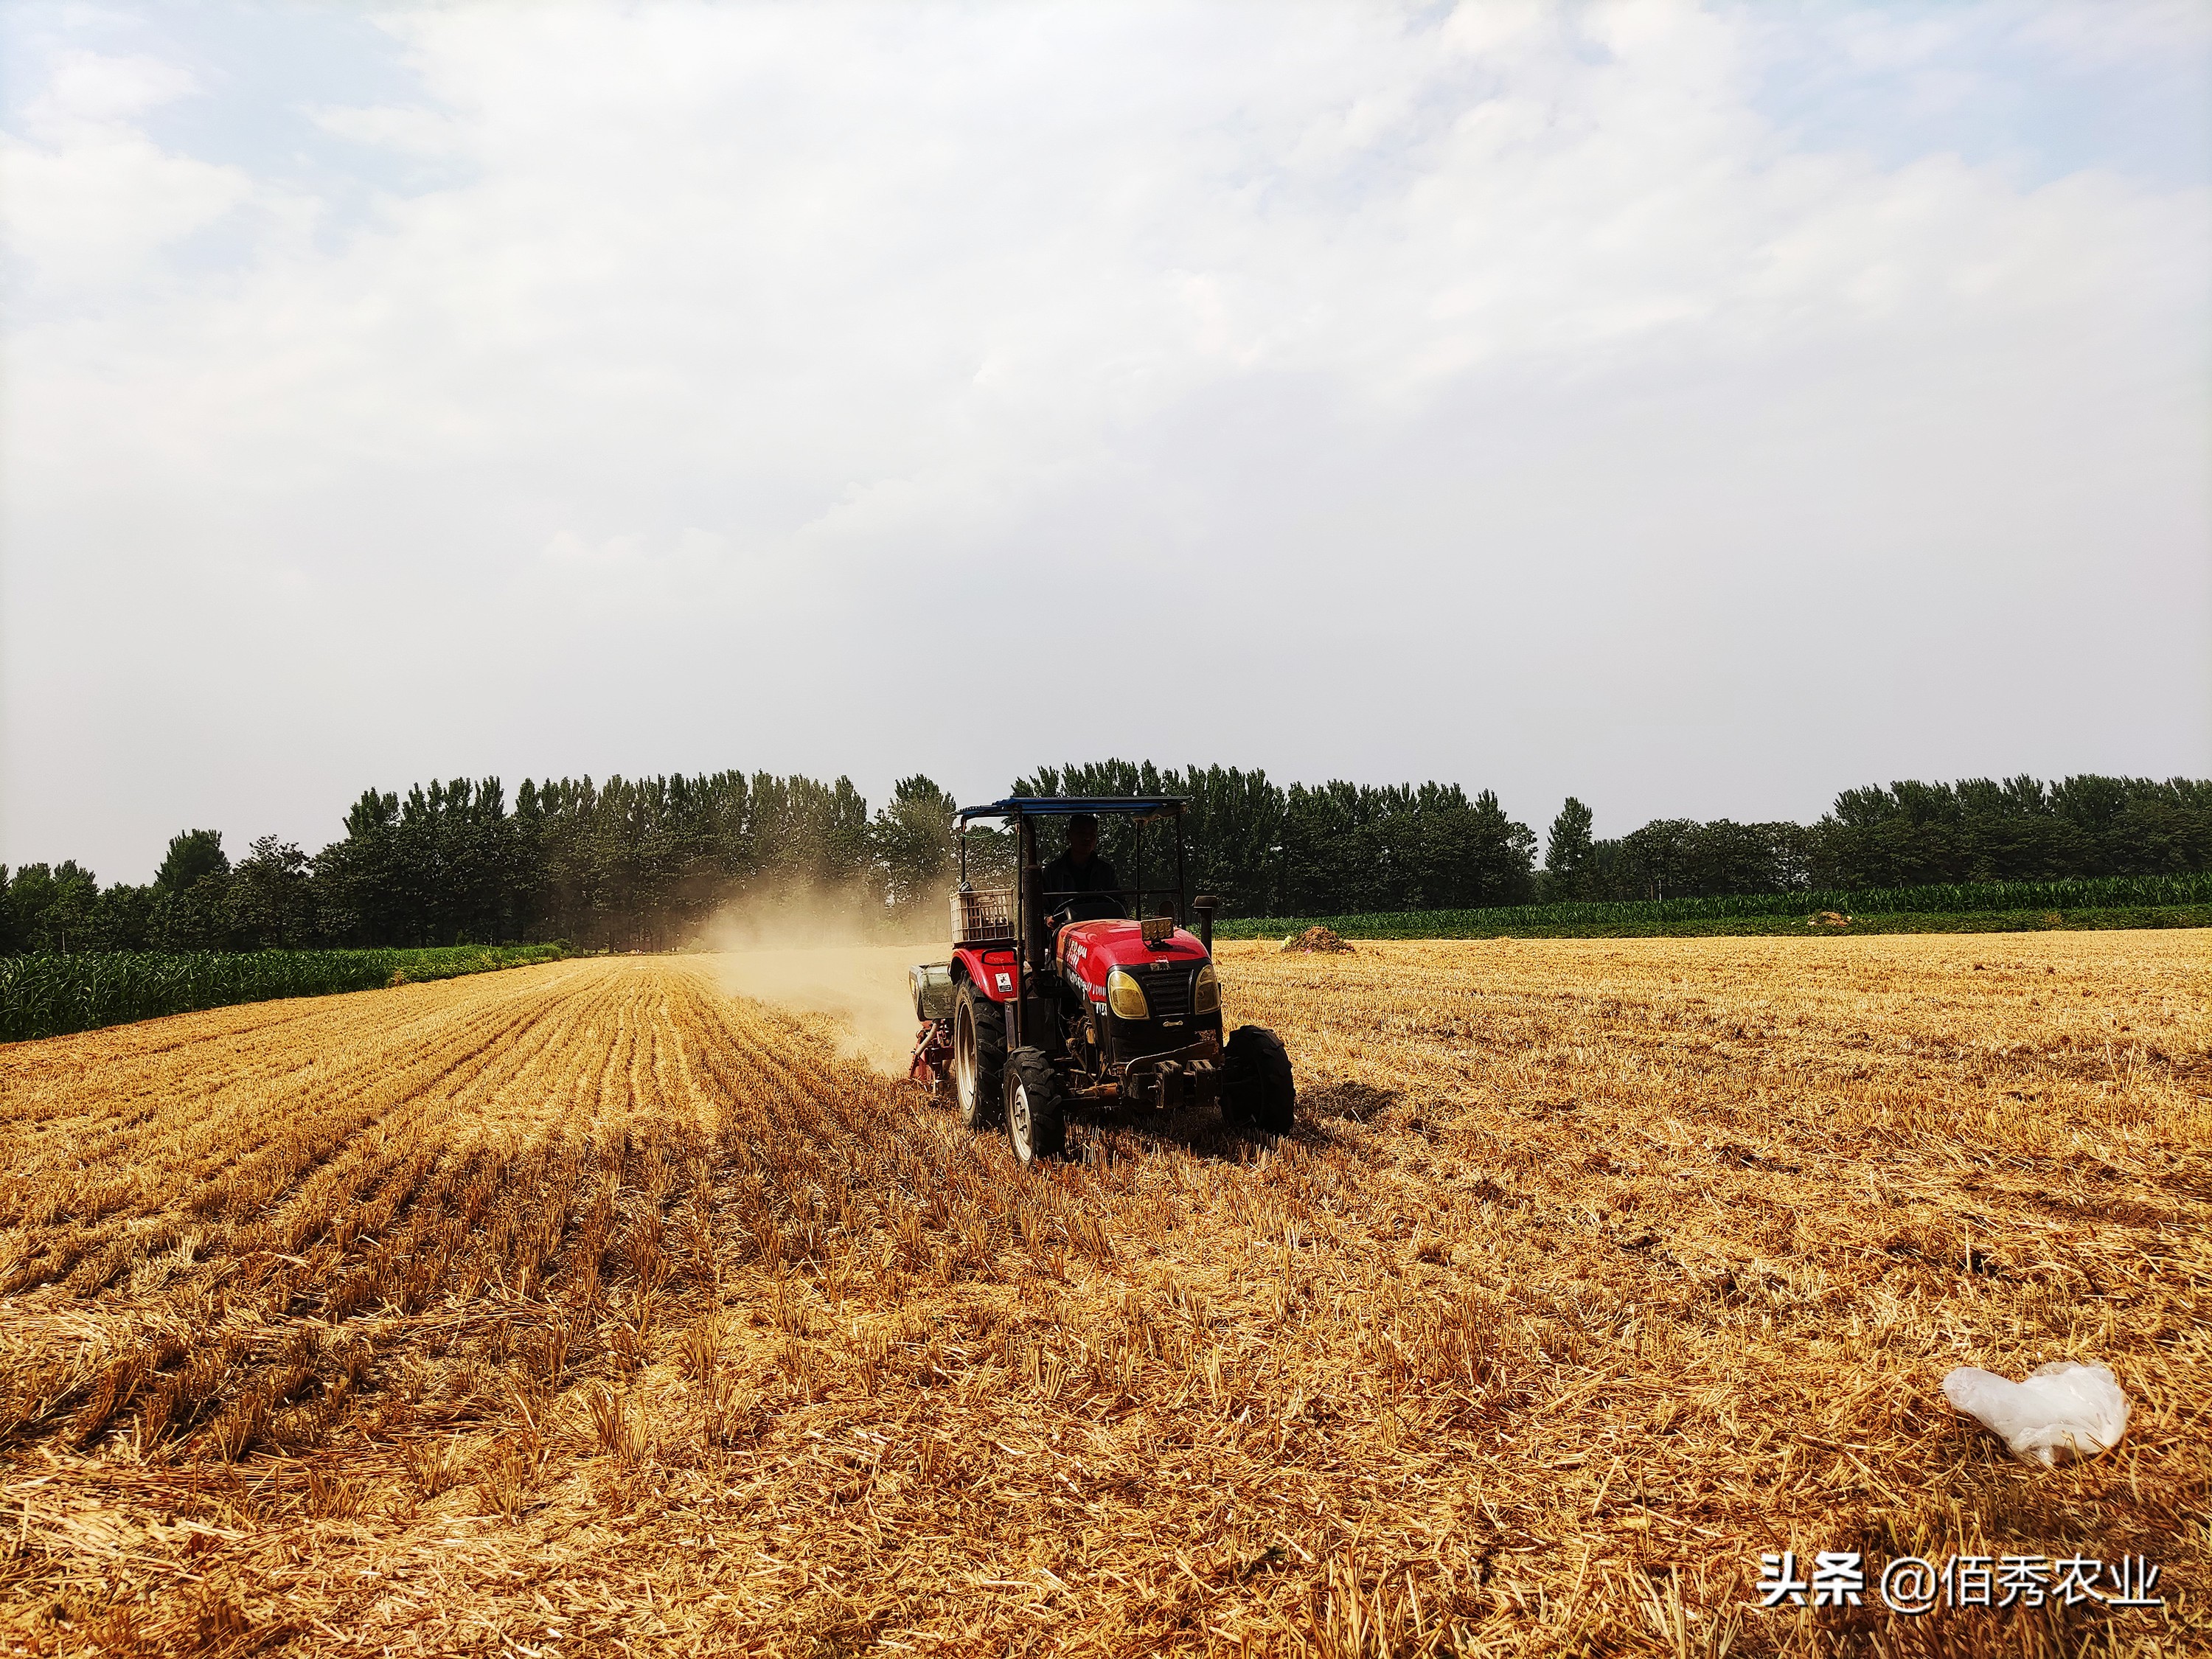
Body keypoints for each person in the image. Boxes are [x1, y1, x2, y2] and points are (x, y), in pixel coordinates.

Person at [1040, 813, 1121, 917]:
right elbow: (1040, 908)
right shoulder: (1052, 872)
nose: (1087, 838)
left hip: (1100, 927)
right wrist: (1047, 919)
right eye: (1081, 832)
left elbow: (1120, 903)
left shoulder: (1106, 871)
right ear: (1068, 835)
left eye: (1092, 833)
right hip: (1065, 929)